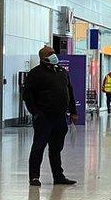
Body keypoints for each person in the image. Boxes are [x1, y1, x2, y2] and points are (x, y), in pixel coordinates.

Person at [23, 46, 78, 187]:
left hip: (60, 117)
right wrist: (35, 113)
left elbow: (69, 92)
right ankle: (34, 177)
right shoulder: (35, 74)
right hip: (44, 117)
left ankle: (58, 176)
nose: (54, 55)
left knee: (56, 148)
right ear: (43, 57)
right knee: (39, 146)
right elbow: (28, 95)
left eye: (54, 52)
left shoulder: (61, 72)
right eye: (50, 53)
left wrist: (73, 111)